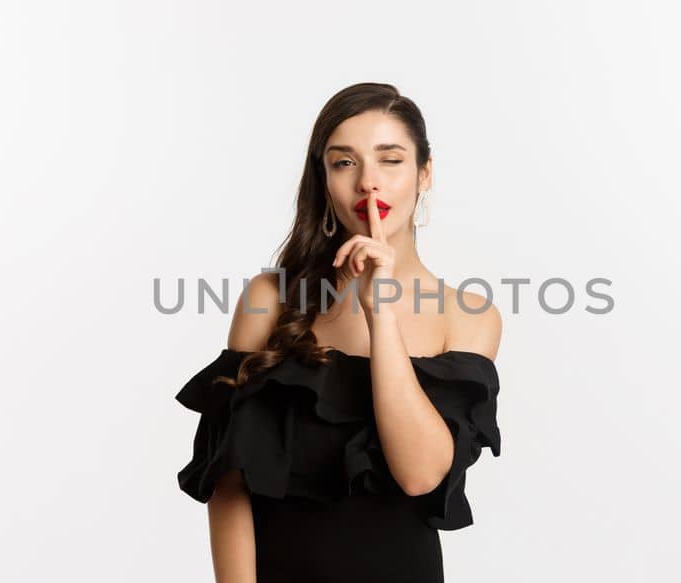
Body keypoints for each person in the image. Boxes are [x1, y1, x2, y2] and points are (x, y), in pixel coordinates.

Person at [174, 82, 503, 583]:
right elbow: (229, 483)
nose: (368, 183)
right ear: (324, 178)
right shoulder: (270, 298)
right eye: (344, 162)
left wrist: (382, 314)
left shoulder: (468, 316)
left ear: (424, 173)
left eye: (390, 160)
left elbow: (420, 475)